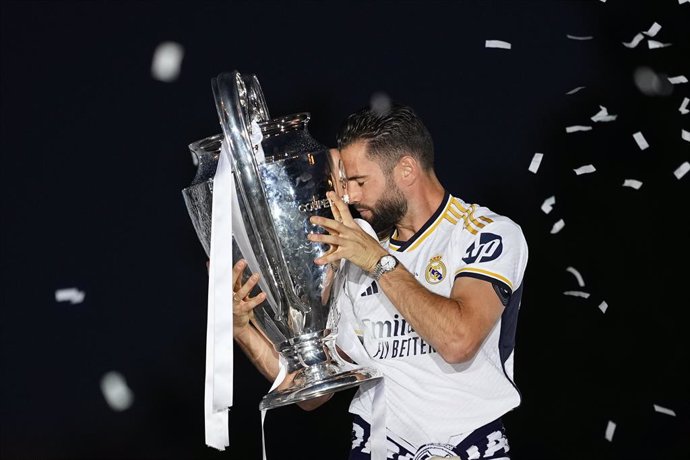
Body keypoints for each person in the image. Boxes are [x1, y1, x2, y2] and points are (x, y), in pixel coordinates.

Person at [233, 104, 528, 459]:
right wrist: (242, 328)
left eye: (359, 181)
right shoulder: (355, 255)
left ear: (406, 170)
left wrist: (377, 261)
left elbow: (458, 340)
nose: (350, 197)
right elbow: (314, 394)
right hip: (377, 447)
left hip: (471, 447)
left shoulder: (484, 234)